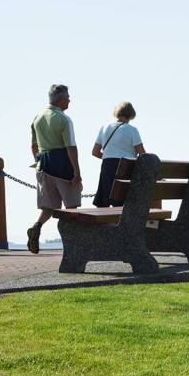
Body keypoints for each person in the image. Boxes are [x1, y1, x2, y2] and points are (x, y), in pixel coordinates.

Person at [27, 84, 82, 254]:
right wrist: (77, 173)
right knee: (71, 207)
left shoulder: (38, 117)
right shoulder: (64, 119)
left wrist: (38, 161)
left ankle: (37, 226)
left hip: (43, 165)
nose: (70, 100)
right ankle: (74, 245)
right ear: (60, 99)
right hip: (62, 165)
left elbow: (34, 146)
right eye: (67, 97)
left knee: (48, 207)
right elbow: (71, 147)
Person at [91, 102, 145, 207]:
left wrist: (109, 156)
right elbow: (142, 154)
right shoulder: (132, 130)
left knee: (105, 201)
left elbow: (95, 152)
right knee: (122, 202)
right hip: (126, 168)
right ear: (131, 114)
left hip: (107, 165)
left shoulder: (105, 127)